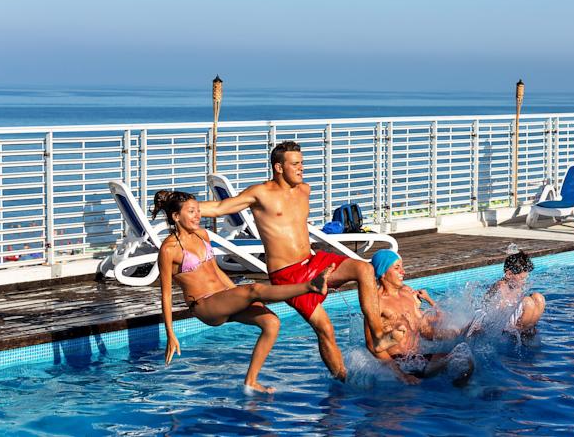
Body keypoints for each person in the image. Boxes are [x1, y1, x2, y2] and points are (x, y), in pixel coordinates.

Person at [198, 141, 401, 381]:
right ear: (279, 167)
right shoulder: (260, 193)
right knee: (325, 329)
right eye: (295, 164)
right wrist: (185, 209)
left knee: (364, 269)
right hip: (288, 274)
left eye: (302, 163)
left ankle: (377, 335)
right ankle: (342, 381)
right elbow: (220, 207)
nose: (301, 168)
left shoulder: (305, 190)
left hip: (313, 260)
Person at [154, 189, 331, 394]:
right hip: (204, 305)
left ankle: (251, 382)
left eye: (198, 210)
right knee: (254, 289)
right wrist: (170, 333)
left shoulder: (202, 235)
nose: (198, 215)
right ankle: (310, 286)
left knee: (271, 323)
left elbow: (216, 271)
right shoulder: (169, 249)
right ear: (176, 217)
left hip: (224, 298)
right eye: (192, 211)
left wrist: (237, 294)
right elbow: (165, 294)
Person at [365, 249, 473, 386]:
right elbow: (372, 345)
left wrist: (457, 333)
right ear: (383, 272)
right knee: (459, 362)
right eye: (397, 268)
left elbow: (424, 330)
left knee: (465, 361)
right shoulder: (376, 303)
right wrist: (402, 376)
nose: (403, 272)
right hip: (398, 364)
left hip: (417, 359)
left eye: (402, 267)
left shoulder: (407, 294)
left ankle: (461, 391)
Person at [486, 247, 545, 334]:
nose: (524, 281)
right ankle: (519, 332)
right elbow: (494, 311)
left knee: (538, 298)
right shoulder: (500, 286)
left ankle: (529, 329)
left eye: (525, 278)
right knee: (527, 302)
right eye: (522, 278)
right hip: (503, 324)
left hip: (514, 320)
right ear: (509, 274)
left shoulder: (516, 286)